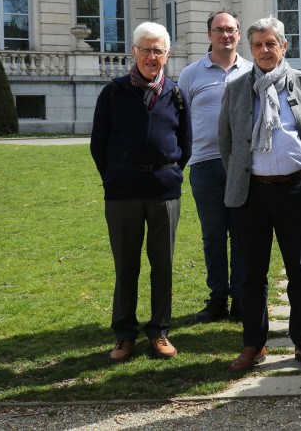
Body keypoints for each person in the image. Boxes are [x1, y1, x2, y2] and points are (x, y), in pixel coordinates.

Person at [219, 16, 301, 372]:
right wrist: (241, 176)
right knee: (251, 274)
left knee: (299, 271)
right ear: (250, 49)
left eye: (271, 43)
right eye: (258, 45)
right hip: (251, 193)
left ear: (284, 46)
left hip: (297, 190)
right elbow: (227, 142)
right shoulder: (236, 88)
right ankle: (254, 344)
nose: (265, 50)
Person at [90, 22, 192, 364]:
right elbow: (98, 145)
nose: (152, 56)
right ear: (133, 52)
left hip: (164, 192)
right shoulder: (114, 93)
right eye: (146, 49)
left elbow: (186, 144)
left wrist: (171, 172)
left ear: (167, 54)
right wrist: (115, 177)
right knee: (126, 266)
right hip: (123, 194)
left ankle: (160, 331)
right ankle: (124, 335)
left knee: (162, 263)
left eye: (158, 50)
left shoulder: (176, 94)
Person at [178, 9, 252, 324]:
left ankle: (239, 298)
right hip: (205, 165)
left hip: (243, 167)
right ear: (209, 34)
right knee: (212, 235)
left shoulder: (252, 72)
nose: (225, 35)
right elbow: (179, 123)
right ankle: (217, 298)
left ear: (239, 34)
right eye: (219, 29)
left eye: (231, 29)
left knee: (242, 234)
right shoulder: (190, 74)